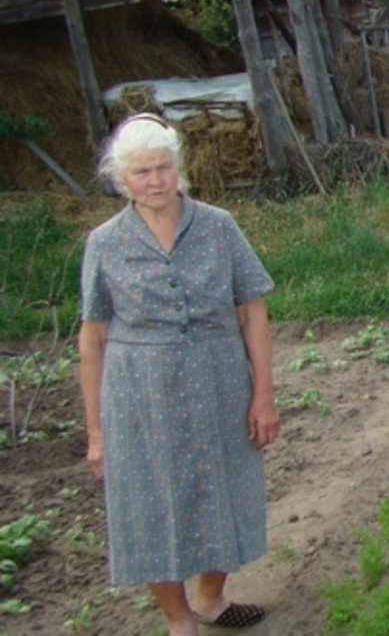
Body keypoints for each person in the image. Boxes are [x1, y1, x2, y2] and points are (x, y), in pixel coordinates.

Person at [77, 113, 279, 636]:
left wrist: (263, 397)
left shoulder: (217, 226)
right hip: (139, 397)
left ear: (178, 168)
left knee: (226, 493)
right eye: (141, 172)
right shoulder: (105, 243)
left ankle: (210, 600)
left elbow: (253, 313)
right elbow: (93, 338)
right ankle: (178, 619)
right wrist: (96, 431)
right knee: (148, 507)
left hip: (219, 385)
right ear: (122, 180)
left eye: (163, 167)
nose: (155, 181)